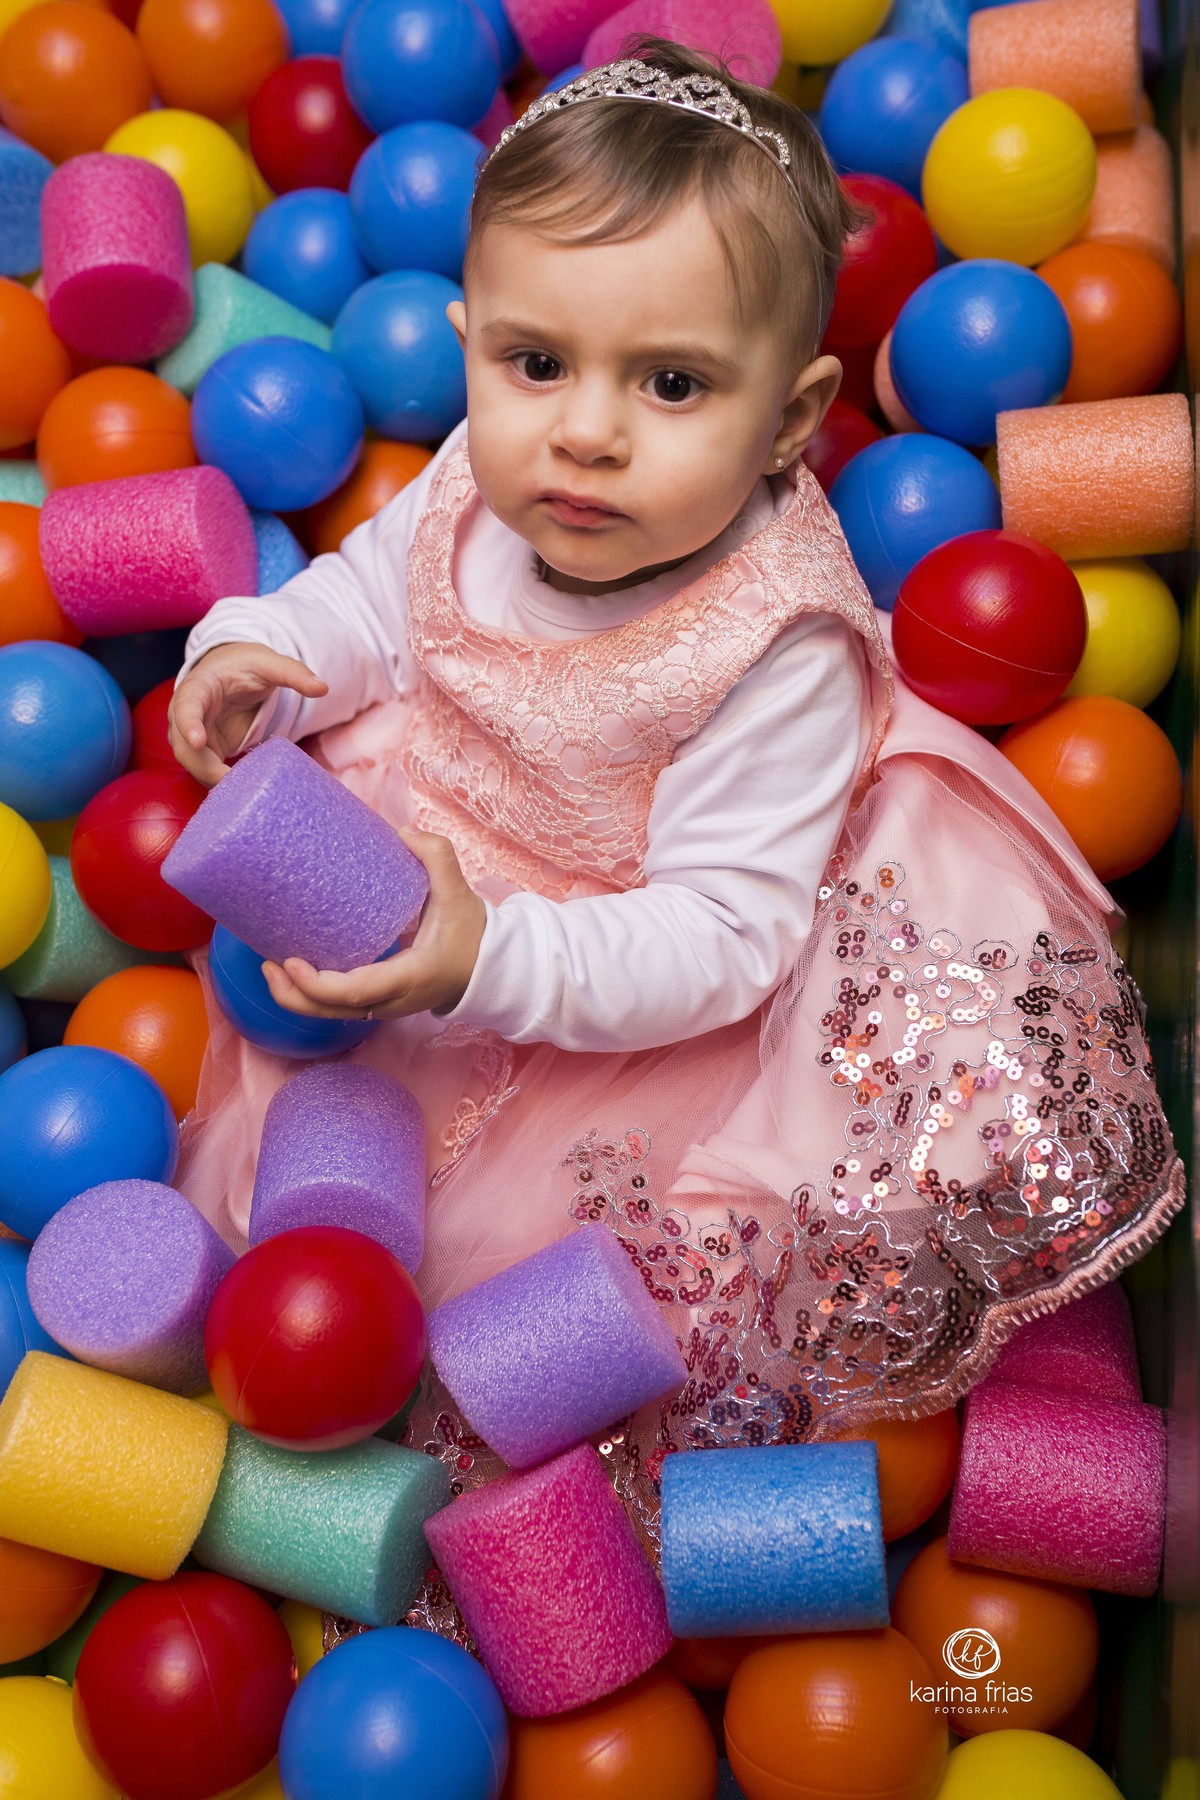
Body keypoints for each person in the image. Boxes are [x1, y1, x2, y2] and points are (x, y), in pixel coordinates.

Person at [171, 37, 1182, 1554]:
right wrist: (263, 649)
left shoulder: (771, 645)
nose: (585, 430)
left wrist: (490, 963)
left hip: (650, 970)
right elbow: (376, 601)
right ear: (469, 345)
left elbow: (719, 941)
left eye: (672, 383)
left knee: (590, 1282)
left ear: (791, 418)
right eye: (533, 365)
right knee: (311, 1164)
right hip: (447, 850)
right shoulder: (477, 473)